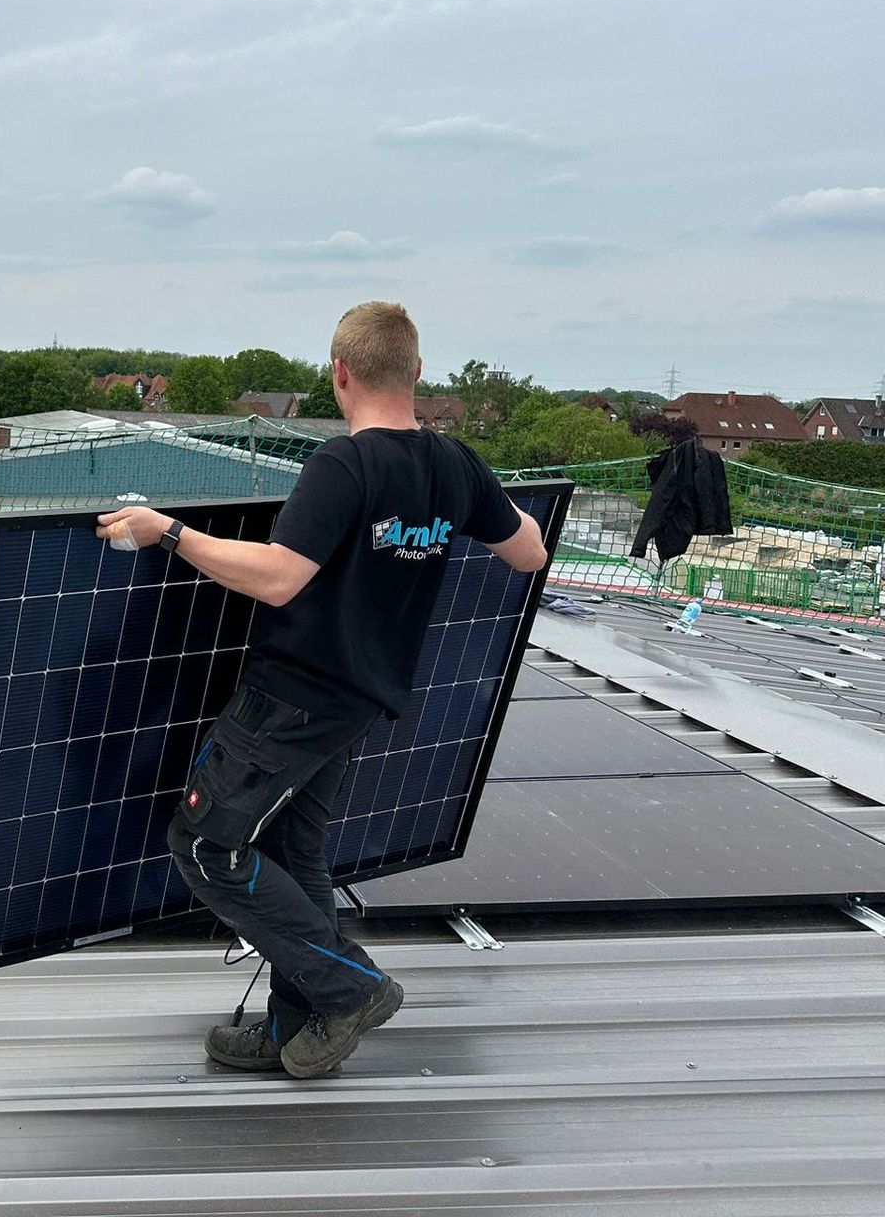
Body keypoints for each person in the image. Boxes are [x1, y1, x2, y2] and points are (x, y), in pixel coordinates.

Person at [96, 302, 549, 1080]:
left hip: (295, 695)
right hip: (361, 696)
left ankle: (352, 987)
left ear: (340, 374)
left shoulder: (346, 465)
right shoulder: (454, 463)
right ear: (416, 371)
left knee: (206, 845)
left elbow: (279, 579)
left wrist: (165, 531)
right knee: (292, 849)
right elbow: (530, 552)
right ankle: (288, 1028)